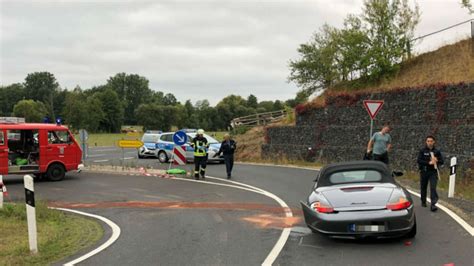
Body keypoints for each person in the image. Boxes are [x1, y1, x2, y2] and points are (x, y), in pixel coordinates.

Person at [417, 135, 444, 212]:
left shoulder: (437, 151)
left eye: (431, 141)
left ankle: (433, 204)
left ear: (434, 142)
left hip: (433, 172)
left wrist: (437, 160)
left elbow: (442, 161)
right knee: (423, 187)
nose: (429, 143)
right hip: (424, 171)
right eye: (428, 141)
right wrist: (429, 162)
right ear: (426, 142)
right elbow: (419, 161)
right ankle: (423, 201)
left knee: (433, 188)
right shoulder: (422, 151)